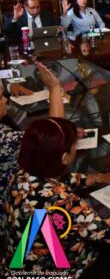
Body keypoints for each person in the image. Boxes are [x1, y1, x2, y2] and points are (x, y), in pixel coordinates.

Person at [3, 116, 110, 279]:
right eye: (74, 145)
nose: (76, 148)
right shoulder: (62, 202)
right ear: (65, 157)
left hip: (18, 268)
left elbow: (58, 180)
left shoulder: (20, 174)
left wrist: (98, 177)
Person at [0, 63, 63, 241]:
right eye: (0, 97)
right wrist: (55, 89)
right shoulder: (5, 139)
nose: (6, 100)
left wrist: (9, 87)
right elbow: (52, 138)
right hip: (12, 218)